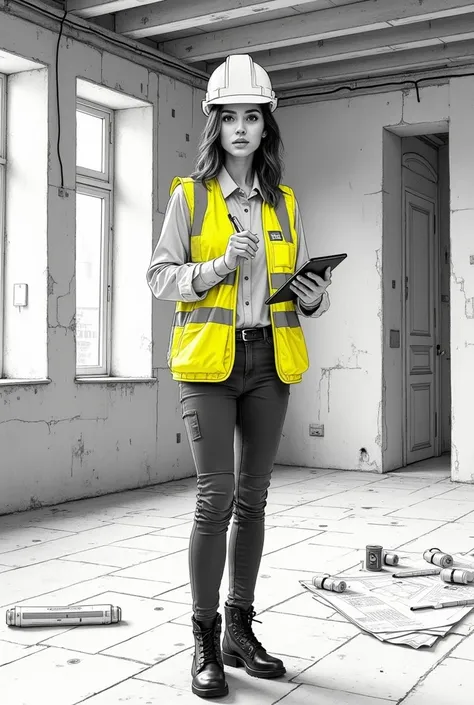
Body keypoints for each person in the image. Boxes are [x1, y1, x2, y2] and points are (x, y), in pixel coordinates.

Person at [147, 54, 332, 699]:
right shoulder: (189, 197)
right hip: (207, 364)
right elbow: (160, 278)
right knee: (214, 497)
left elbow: (303, 290)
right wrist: (218, 266)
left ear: (266, 126)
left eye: (253, 117)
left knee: (253, 499)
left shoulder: (284, 202)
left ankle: (238, 629)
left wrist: (311, 293)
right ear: (214, 126)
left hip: (268, 362)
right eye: (231, 118)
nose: (243, 129)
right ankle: (201, 638)